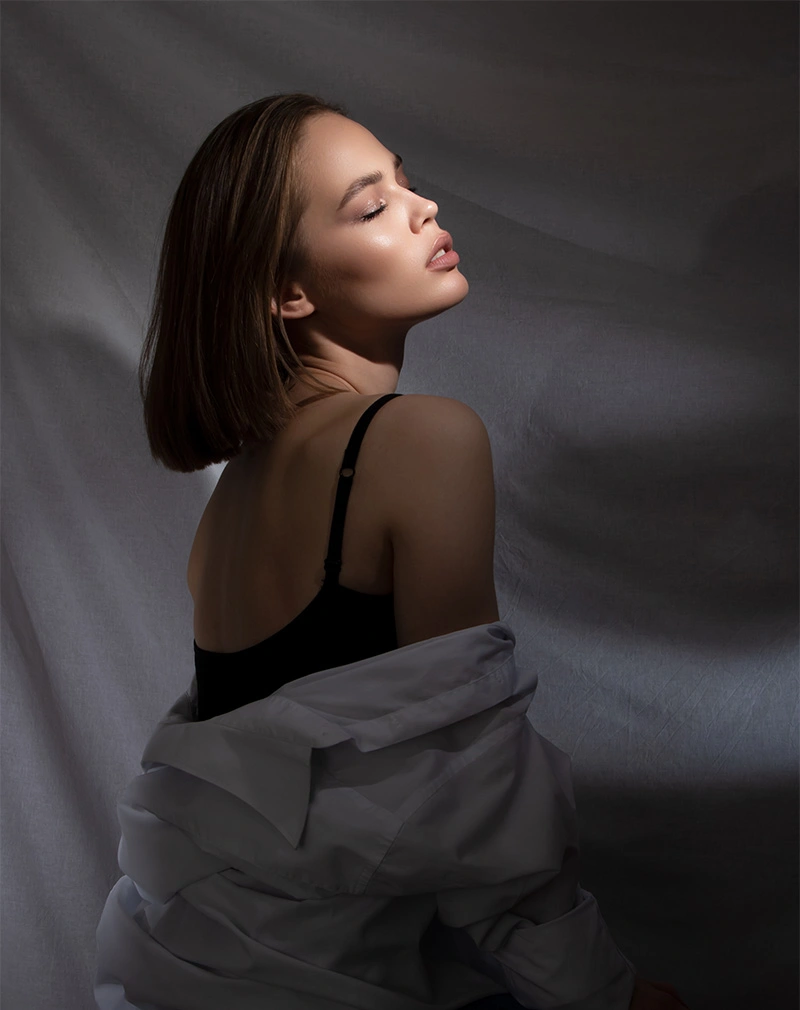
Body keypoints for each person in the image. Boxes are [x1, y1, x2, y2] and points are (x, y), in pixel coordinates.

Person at [135, 92, 689, 1010]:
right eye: (371, 206)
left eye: (406, 183)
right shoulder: (420, 441)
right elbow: (474, 784)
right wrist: (605, 992)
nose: (423, 207)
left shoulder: (230, 504)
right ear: (288, 292)